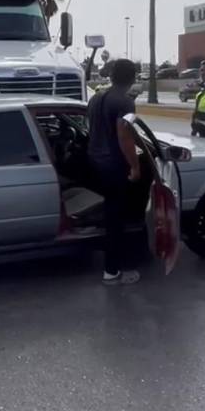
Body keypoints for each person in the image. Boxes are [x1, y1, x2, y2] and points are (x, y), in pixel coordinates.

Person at [86, 58, 142, 285]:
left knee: (109, 212)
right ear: (133, 78)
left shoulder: (96, 98)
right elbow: (124, 136)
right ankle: (112, 271)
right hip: (113, 165)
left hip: (94, 160)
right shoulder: (125, 103)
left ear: (111, 76)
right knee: (115, 217)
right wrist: (135, 167)